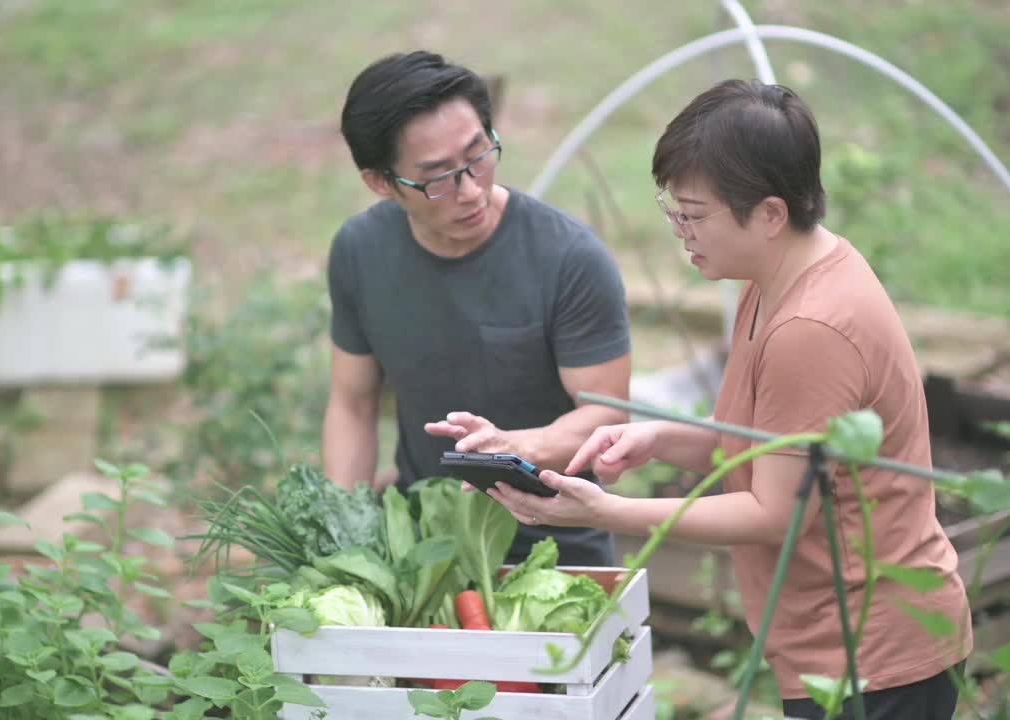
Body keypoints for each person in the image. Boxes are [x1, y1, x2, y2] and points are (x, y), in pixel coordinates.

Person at [483, 79, 973, 719]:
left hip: (872, 654)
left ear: (770, 213)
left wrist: (608, 513)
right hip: (833, 643)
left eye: (693, 214)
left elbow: (772, 510)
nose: (680, 231)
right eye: (673, 209)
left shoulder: (811, 328)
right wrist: (663, 438)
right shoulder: (773, 274)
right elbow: (782, 444)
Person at [321, 50, 633, 566]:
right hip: (426, 552)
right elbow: (353, 404)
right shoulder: (359, 252)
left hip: (560, 547)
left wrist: (513, 447)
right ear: (381, 182)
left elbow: (605, 414)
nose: (470, 191)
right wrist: (338, 530)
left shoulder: (569, 257)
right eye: (438, 177)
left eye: (479, 155)